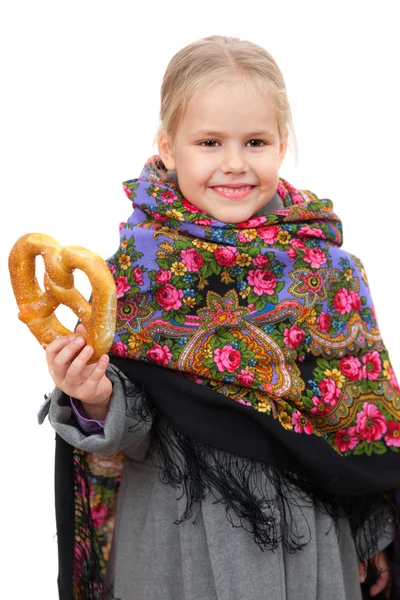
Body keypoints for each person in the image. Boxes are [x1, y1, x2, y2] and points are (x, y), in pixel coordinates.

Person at [40, 35, 400, 600]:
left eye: (255, 141)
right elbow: (132, 434)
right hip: (174, 539)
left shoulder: (328, 272)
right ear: (167, 146)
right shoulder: (133, 276)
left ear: (283, 146)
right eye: (209, 141)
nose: (234, 163)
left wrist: (375, 524)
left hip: (305, 544)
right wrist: (93, 397)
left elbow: (359, 425)